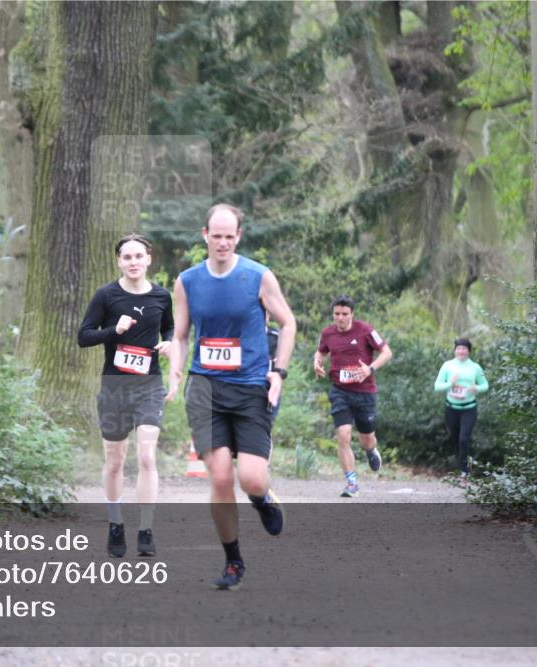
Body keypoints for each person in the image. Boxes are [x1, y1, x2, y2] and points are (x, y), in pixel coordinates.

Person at [165, 203, 297, 590]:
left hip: (251, 386)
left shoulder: (258, 276)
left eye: (229, 236)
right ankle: (233, 562)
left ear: (238, 237)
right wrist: (176, 373)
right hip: (205, 389)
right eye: (216, 235)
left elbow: (288, 323)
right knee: (221, 478)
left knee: (251, 479)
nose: (222, 242)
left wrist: (279, 372)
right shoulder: (187, 281)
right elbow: (181, 335)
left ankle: (262, 498)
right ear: (204, 235)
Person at [78, 233, 173, 558]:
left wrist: (169, 342)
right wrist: (113, 331)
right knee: (115, 461)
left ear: (149, 259)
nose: (133, 262)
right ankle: (115, 523)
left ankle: (146, 528)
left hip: (149, 386)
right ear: (119, 261)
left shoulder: (161, 296)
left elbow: (170, 327)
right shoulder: (106, 295)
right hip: (114, 388)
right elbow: (83, 336)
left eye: (138, 256)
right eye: (127, 257)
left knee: (146, 456)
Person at [313, 296, 393, 498]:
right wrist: (317, 362)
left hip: (364, 392)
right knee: (343, 434)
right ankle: (351, 483)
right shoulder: (327, 333)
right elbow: (321, 352)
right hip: (340, 391)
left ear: (352, 314)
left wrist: (370, 369)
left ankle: (371, 450)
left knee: (367, 439)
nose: (340, 318)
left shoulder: (365, 330)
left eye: (344, 314)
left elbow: (386, 352)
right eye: (336, 314)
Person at [433, 338, 488, 478]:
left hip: (469, 409)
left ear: (469, 351)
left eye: (464, 348)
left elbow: (485, 385)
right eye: (458, 348)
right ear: (454, 350)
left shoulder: (475, 367)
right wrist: (450, 384)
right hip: (451, 408)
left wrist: (476, 388)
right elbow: (437, 386)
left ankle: (464, 472)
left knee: (463, 438)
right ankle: (461, 464)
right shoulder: (447, 366)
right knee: (456, 439)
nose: (461, 351)